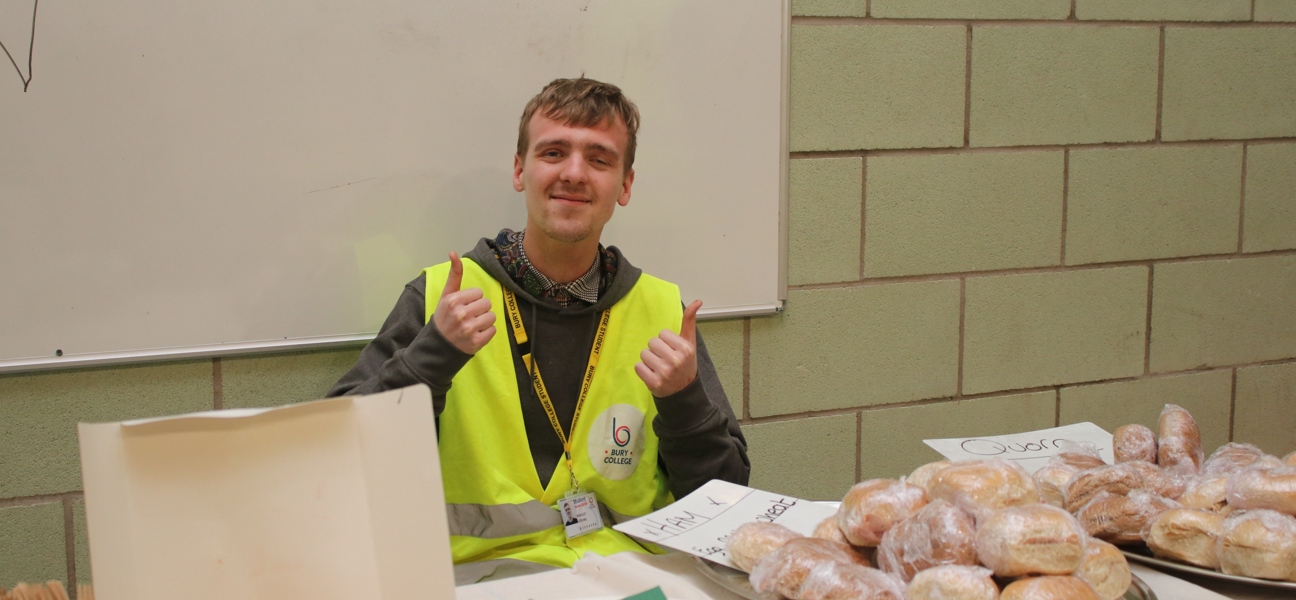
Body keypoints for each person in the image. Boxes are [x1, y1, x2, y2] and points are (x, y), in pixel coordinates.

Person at [327, 77, 750, 584]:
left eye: (599, 159)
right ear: (519, 170)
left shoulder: (660, 310)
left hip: (631, 580)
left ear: (626, 185)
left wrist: (685, 404)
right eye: (553, 152)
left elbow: (727, 499)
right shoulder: (444, 299)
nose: (574, 173)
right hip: (485, 581)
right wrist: (430, 358)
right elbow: (341, 466)